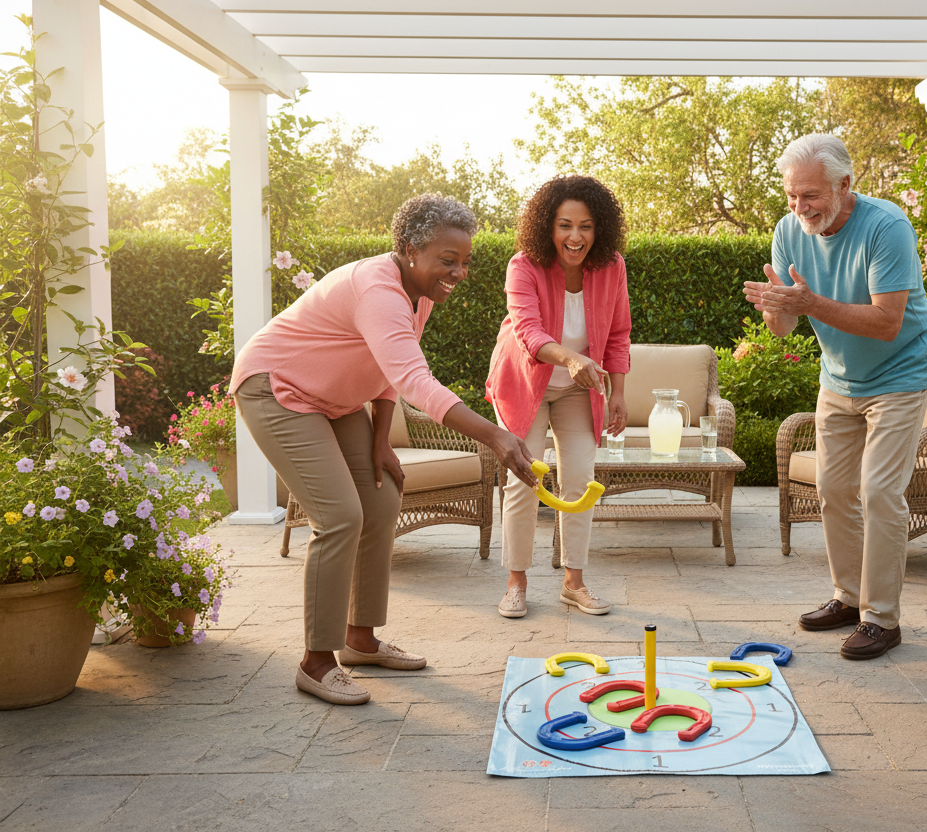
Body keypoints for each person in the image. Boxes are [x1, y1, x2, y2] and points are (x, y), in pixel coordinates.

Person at [230, 194, 537, 705]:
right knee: (340, 516)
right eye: (448, 259)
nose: (459, 272)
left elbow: (390, 370)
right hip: (277, 388)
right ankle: (316, 661)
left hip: (335, 398)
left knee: (381, 498)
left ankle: (360, 639)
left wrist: (379, 440)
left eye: (465, 261)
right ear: (412, 249)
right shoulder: (376, 288)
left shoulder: (420, 292)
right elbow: (415, 378)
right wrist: (496, 434)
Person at [743, 134, 927, 660]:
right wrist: (777, 306)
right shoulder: (789, 231)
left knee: (879, 492)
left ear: (844, 185)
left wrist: (808, 301)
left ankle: (881, 619)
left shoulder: (886, 227)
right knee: (832, 489)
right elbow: (783, 327)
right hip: (840, 377)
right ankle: (848, 599)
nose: (798, 208)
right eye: (791, 196)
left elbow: (887, 322)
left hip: (899, 373)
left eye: (810, 196)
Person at [486, 176, 631, 619]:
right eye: (565, 225)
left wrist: (618, 392)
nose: (575, 237)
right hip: (525, 384)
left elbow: (619, 334)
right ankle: (516, 583)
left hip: (578, 389)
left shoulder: (611, 266)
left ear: (599, 229)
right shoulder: (523, 266)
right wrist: (571, 359)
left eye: (586, 226)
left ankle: (574, 583)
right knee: (524, 481)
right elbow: (528, 332)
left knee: (581, 483)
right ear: (547, 227)